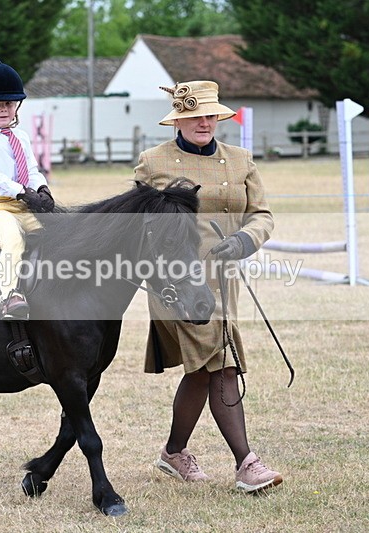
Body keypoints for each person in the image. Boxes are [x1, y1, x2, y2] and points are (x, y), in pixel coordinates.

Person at [134, 80, 282, 493]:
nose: (204, 122)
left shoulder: (241, 161)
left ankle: (174, 452)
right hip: (175, 283)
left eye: (210, 114)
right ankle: (247, 464)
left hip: (224, 281)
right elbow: (133, 223)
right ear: (178, 119)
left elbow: (263, 216)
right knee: (220, 361)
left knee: (202, 370)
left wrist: (243, 241)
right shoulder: (153, 162)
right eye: (195, 115)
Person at [0, 59, 55, 321]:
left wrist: (42, 189)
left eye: (9, 103)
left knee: (53, 235)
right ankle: (9, 294)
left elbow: (32, 168)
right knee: (13, 238)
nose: (4, 110)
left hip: (24, 203)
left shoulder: (21, 137)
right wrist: (21, 191)